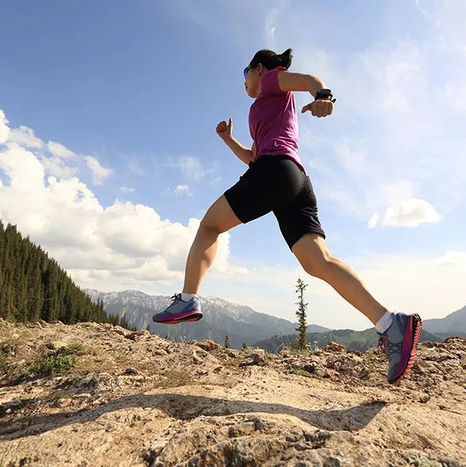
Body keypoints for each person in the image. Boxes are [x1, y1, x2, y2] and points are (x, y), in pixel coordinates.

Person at [152, 48, 422, 384]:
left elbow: (310, 80)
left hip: (276, 171)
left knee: (209, 226)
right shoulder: (266, 106)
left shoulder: (270, 80)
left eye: (245, 74)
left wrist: (323, 96)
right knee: (317, 261)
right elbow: (253, 156)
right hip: (295, 179)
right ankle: (391, 324)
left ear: (259, 68)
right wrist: (228, 139)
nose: (244, 82)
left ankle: (187, 300)